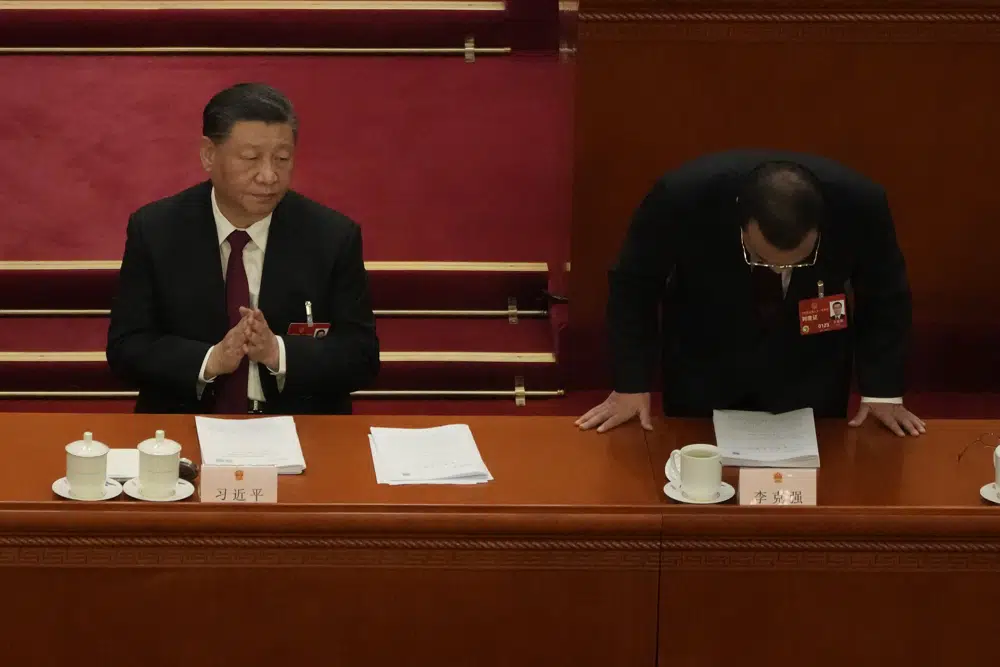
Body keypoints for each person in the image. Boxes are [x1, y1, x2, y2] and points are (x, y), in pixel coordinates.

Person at [576, 149, 925, 437]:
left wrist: (883, 392)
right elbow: (634, 284)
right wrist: (631, 384)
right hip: (704, 359)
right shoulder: (682, 197)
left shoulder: (861, 206)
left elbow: (885, 294)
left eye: (799, 261)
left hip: (811, 366)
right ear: (740, 220)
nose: (778, 270)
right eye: (760, 258)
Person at [107, 83, 379, 414]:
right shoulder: (156, 230)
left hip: (299, 427)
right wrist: (211, 360)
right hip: (187, 424)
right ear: (209, 154)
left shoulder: (332, 237)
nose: (269, 176)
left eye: (282, 158)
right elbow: (126, 349)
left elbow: (362, 357)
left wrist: (277, 352)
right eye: (251, 158)